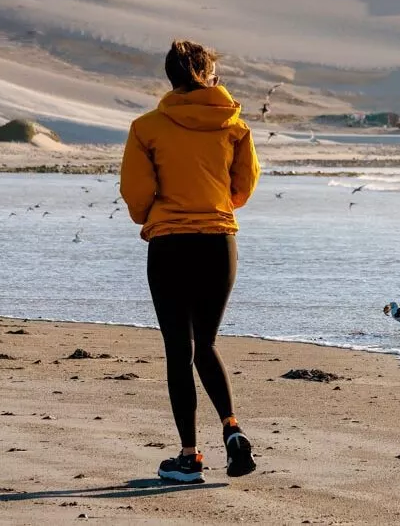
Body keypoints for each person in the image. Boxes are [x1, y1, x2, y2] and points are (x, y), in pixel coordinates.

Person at [120, 39, 260, 483]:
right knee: (208, 343)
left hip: (170, 245)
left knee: (178, 352)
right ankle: (232, 429)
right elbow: (243, 188)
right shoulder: (234, 126)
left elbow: (136, 195)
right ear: (209, 75)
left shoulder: (147, 128)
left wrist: (159, 214)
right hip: (218, 242)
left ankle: (189, 457)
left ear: (171, 78)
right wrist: (215, 204)